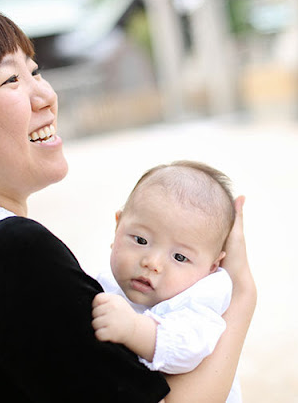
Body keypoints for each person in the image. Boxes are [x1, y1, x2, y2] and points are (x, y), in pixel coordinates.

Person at [0, 1, 256, 403]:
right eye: (9, 81)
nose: (46, 96)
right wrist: (240, 297)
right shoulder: (10, 252)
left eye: (34, 71)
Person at [92, 160, 243, 402]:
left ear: (212, 267)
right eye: (140, 240)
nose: (152, 263)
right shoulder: (101, 282)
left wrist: (134, 329)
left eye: (180, 257)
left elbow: (187, 349)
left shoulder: (199, 301)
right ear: (117, 226)